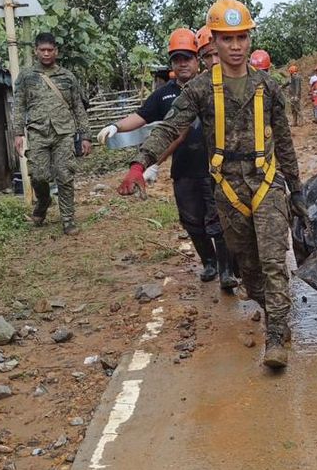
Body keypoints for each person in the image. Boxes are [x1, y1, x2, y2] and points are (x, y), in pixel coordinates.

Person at [118, 0, 305, 369]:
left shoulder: (268, 86)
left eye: (241, 38)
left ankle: (276, 335)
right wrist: (140, 163)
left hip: (266, 184)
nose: (235, 47)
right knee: (248, 271)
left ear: (250, 39)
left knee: (271, 261)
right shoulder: (199, 90)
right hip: (228, 190)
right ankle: (272, 309)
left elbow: (283, 142)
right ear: (214, 44)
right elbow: (170, 127)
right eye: (226, 39)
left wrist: (296, 191)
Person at [97, 29, 234, 289]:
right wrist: (115, 126)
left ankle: (227, 271)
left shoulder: (212, 88)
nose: (183, 63)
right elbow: (140, 118)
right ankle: (209, 263)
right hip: (183, 170)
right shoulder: (164, 95)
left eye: (188, 58)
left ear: (197, 59)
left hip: (214, 168)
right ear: (172, 63)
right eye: (177, 59)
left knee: (219, 220)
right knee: (192, 220)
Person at [13, 32, 92, 236]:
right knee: (38, 175)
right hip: (38, 132)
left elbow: (78, 107)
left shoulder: (67, 77)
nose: (46, 54)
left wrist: (85, 136)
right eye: (42, 50)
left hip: (64, 132)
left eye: (50, 50)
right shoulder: (26, 77)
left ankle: (68, 219)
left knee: (65, 175)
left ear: (56, 51)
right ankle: (44, 201)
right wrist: (18, 133)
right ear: (36, 51)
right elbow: (19, 106)